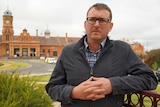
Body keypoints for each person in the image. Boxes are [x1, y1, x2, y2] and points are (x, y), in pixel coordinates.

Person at [45, 3, 158, 107]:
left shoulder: (122, 50)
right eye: (92, 19)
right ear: (85, 24)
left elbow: (149, 79)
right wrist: (73, 92)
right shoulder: (68, 52)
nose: (97, 25)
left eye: (102, 20)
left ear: (110, 26)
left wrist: (112, 85)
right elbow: (52, 87)